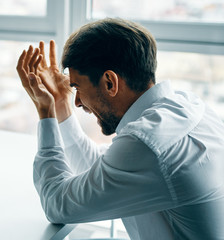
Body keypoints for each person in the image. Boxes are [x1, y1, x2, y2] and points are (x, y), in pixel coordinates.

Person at [16, 18, 224, 240]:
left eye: (77, 87)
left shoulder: (147, 144)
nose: (77, 102)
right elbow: (102, 167)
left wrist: (45, 112)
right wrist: (60, 105)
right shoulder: (187, 107)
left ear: (109, 82)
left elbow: (57, 205)